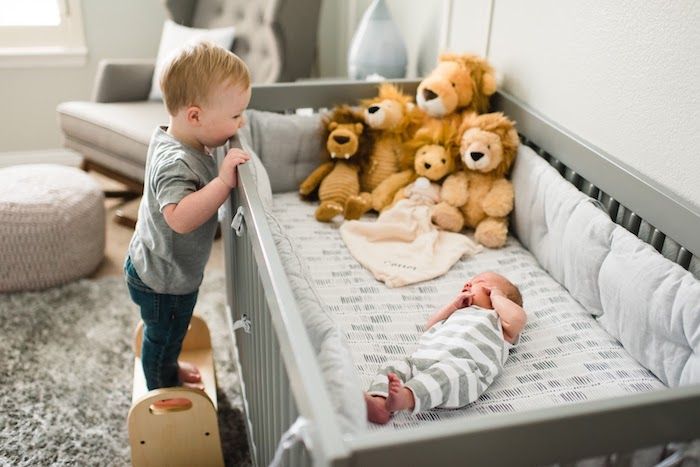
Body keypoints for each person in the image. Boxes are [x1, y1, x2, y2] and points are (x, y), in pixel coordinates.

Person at [124, 41, 251, 395]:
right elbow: (178, 218)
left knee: (167, 334)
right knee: (164, 336)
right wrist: (224, 181)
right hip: (163, 280)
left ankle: (166, 359)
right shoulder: (174, 163)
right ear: (195, 116)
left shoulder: (180, 139)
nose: (241, 122)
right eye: (235, 116)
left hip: (156, 264)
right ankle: (161, 389)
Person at [364, 271, 526, 424]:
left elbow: (517, 319)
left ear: (495, 295)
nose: (469, 283)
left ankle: (405, 397)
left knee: (448, 374)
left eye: (480, 282)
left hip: (463, 368)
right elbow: (429, 327)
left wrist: (498, 297)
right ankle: (380, 402)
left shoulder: (499, 322)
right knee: (394, 367)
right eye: (469, 281)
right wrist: (453, 306)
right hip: (422, 359)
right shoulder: (457, 313)